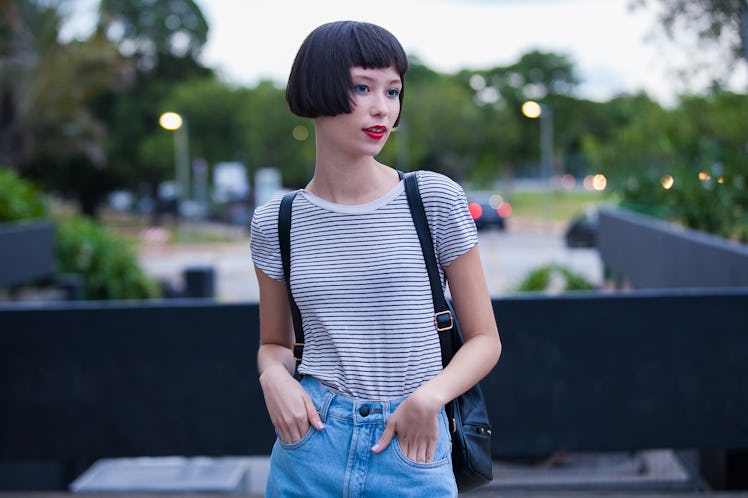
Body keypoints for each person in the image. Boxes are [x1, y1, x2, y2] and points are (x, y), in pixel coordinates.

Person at [250, 20, 501, 497]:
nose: (381, 107)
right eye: (362, 87)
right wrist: (272, 377)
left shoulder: (432, 199)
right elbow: (275, 344)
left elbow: (486, 340)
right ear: (316, 89)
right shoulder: (275, 221)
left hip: (412, 443)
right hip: (311, 444)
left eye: (393, 90)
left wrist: (430, 399)